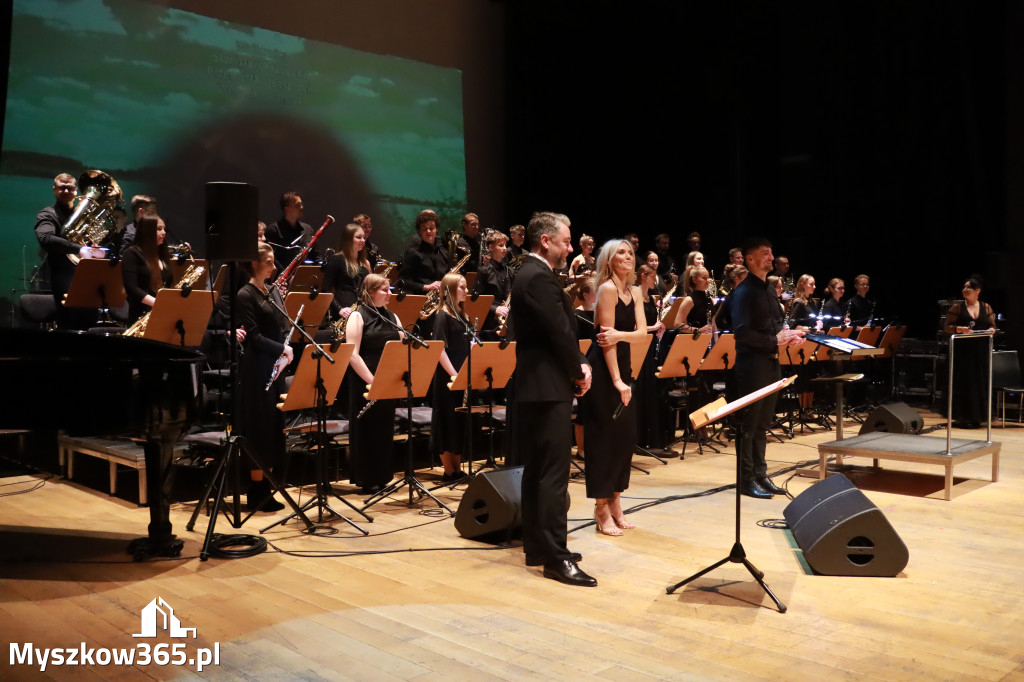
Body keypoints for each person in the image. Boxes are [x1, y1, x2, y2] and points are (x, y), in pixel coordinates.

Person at [509, 211, 594, 586]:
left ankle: (538, 547)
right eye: (566, 239)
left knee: (539, 471)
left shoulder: (531, 274)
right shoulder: (537, 276)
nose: (570, 246)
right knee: (554, 473)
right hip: (546, 387)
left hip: (538, 385)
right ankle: (556, 558)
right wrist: (579, 367)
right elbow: (558, 331)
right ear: (546, 241)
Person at [732, 237, 804, 498]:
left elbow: (774, 325)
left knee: (762, 425)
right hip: (752, 367)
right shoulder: (744, 292)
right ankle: (746, 479)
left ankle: (761, 475)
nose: (771, 258)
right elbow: (741, 334)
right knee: (749, 426)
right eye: (765, 253)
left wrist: (789, 336)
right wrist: (775, 340)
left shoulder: (768, 289)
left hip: (771, 363)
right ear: (750, 259)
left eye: (771, 253)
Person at [584, 239, 647, 536]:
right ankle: (600, 508)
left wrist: (621, 335)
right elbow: (604, 344)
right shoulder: (607, 289)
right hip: (604, 369)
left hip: (624, 364)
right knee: (603, 439)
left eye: (630, 253)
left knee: (625, 437)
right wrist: (618, 380)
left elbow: (643, 334)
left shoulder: (634, 291)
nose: (627, 257)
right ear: (609, 260)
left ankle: (616, 502)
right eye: (620, 252)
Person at [236, 242, 293, 511]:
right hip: (258, 367)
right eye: (269, 262)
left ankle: (267, 487)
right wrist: (282, 348)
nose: (274, 266)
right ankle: (256, 491)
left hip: (276, 365)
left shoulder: (271, 290)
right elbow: (255, 336)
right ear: (255, 264)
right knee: (259, 428)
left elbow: (282, 325)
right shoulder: (244, 294)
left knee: (273, 426)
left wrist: (284, 348)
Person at [346, 274, 403, 493]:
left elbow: (399, 347)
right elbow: (352, 354)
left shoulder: (392, 316)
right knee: (367, 429)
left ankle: (383, 476)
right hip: (365, 381)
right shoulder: (357, 316)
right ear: (370, 292)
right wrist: (373, 381)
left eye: (390, 289)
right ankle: (367, 479)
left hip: (386, 382)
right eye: (384, 290)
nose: (390, 293)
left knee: (384, 428)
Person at [34, 172, 107, 328]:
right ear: (54, 190)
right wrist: (79, 249)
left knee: (90, 324)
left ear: (76, 191)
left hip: (87, 277)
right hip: (63, 279)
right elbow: (45, 238)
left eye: (70, 188)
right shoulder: (48, 214)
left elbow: (92, 241)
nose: (66, 191)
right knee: (69, 325)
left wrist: (94, 246)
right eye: (62, 188)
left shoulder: (85, 214)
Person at [432, 273, 473, 481]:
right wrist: (455, 375)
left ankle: (457, 469)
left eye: (466, 287)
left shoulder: (463, 315)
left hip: (462, 376)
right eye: (462, 287)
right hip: (448, 376)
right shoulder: (442, 315)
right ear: (448, 290)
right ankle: (449, 470)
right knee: (447, 420)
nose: (466, 291)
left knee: (459, 422)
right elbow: (439, 349)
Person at [943, 277, 996, 428]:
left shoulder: (986, 307)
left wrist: (992, 330)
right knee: (962, 383)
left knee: (978, 382)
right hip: (962, 352)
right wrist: (959, 329)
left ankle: (977, 416)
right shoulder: (957, 307)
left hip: (979, 352)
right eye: (964, 287)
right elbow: (947, 326)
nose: (965, 290)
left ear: (977, 291)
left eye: (969, 288)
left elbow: (993, 326)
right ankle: (961, 416)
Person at [636, 264, 670, 454]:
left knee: (651, 390)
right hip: (639, 347)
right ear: (643, 276)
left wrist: (659, 326)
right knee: (642, 390)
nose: (655, 281)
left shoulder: (649, 298)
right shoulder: (634, 295)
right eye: (652, 277)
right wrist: (651, 328)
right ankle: (640, 439)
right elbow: (633, 326)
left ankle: (651, 438)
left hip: (650, 347)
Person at [121, 214, 172, 325]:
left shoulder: (161, 255)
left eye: (164, 229)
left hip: (162, 315)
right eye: (159, 229)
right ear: (147, 231)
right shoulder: (132, 253)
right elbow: (131, 288)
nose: (164, 232)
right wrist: (157, 303)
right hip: (140, 317)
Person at [323, 222, 371, 318]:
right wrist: (340, 309)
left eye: (364, 237)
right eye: (358, 237)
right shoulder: (337, 259)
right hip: (343, 312)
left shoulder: (365, 263)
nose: (362, 240)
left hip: (362, 312)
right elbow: (326, 289)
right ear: (348, 239)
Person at [398, 210, 449, 295]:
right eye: (424, 228)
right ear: (419, 231)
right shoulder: (413, 252)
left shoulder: (443, 250)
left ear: (437, 229)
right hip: (421, 299)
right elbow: (403, 281)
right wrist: (426, 287)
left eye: (431, 228)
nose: (428, 231)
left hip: (443, 298)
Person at [472, 229, 512, 338]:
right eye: (501, 245)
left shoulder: (509, 271)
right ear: (491, 247)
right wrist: (496, 309)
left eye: (505, 245)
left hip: (506, 323)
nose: (505, 248)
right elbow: (477, 299)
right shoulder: (484, 271)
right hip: (489, 324)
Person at [266, 191, 317, 270]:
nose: (301, 207)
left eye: (301, 204)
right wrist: (286, 275)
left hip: (305, 277)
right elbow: (273, 258)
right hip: (283, 280)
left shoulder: (307, 230)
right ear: (287, 209)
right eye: (298, 205)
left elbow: (315, 255)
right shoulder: (273, 230)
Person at [672, 266, 714, 333]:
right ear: (694, 279)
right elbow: (677, 325)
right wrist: (699, 330)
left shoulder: (710, 299)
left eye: (708, 278)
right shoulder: (689, 300)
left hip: (708, 340)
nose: (707, 281)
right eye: (704, 278)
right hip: (693, 340)